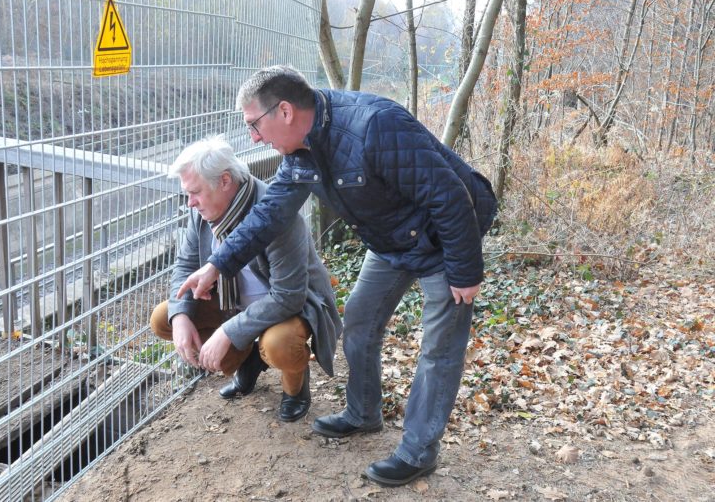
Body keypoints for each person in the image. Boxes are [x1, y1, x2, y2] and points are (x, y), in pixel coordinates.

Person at [177, 66, 497, 486]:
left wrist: (465, 268)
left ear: (285, 111)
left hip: (445, 238)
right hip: (392, 240)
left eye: (254, 124)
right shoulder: (301, 152)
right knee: (360, 323)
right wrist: (218, 264)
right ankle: (363, 413)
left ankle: (419, 450)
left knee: (439, 346)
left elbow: (450, 195)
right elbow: (269, 213)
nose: (253, 138)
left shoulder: (374, 126)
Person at [150, 134, 342, 423]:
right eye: (187, 193)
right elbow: (185, 266)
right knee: (163, 317)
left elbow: (288, 296)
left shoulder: (275, 212)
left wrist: (227, 333)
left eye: (195, 192)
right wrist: (180, 319)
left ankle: (296, 388)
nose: (189, 203)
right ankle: (247, 357)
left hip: (290, 306)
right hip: (236, 302)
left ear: (225, 181)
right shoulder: (202, 212)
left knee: (279, 344)